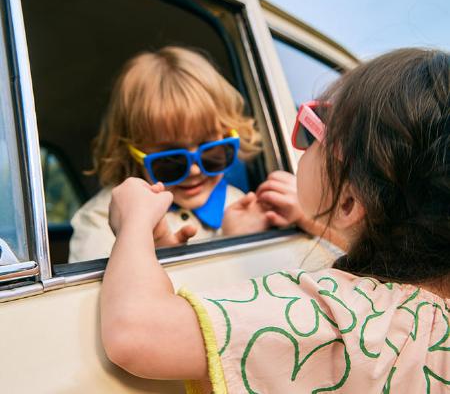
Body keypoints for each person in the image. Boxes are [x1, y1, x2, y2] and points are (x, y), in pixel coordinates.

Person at [101, 48, 450, 393]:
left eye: (312, 132)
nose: (299, 144)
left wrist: (132, 224)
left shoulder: (333, 318)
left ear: (347, 204)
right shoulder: (434, 319)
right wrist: (314, 221)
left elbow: (135, 334)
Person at [68, 46, 266, 263]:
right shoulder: (102, 219)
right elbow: (97, 296)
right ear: (133, 154)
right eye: (171, 160)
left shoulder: (239, 204)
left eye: (211, 151)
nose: (194, 170)